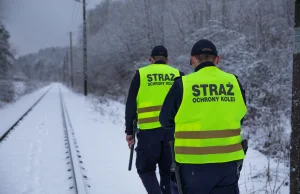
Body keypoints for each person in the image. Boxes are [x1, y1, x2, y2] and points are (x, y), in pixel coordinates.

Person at [159, 39, 247, 194]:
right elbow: (240, 116)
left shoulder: (182, 84)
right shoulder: (234, 82)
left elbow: (165, 121)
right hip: (228, 165)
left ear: (192, 59)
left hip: (192, 166)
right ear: (217, 59)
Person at [125, 45, 185, 194]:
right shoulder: (178, 74)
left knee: (145, 169)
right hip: (172, 133)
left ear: (151, 59)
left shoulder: (141, 74)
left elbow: (131, 105)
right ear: (167, 60)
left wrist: (129, 132)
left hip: (149, 134)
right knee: (167, 172)